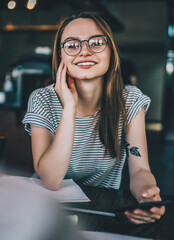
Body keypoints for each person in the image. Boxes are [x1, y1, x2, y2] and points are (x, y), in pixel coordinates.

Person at [22, 11, 165, 224]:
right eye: (72, 45)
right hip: (47, 210)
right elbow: (51, 180)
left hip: (102, 209)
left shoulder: (130, 100)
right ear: (60, 56)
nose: (85, 52)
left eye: (96, 42)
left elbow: (140, 170)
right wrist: (69, 108)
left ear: (111, 51)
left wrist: (147, 196)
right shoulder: (42, 99)